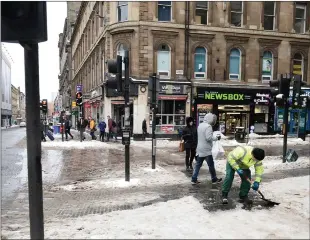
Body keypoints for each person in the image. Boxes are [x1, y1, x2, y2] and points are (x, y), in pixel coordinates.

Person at [191, 113, 222, 185]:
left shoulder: (200, 125)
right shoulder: (208, 126)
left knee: (198, 165)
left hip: (200, 148)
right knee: (211, 164)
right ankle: (214, 179)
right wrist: (216, 138)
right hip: (206, 150)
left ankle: (194, 178)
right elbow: (208, 138)